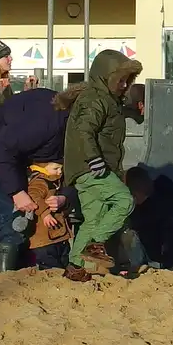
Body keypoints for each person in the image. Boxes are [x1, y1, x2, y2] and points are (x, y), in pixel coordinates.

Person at [0, 84, 73, 273]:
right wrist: (16, 191)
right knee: (13, 215)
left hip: (9, 152)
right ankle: (2, 279)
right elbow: (1, 147)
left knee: (24, 215)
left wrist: (65, 195)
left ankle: (20, 269)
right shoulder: (48, 120)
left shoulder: (61, 116)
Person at [61, 49, 142, 281]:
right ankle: (95, 246)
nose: (125, 84)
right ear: (107, 77)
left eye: (128, 80)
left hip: (85, 168)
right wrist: (94, 159)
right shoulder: (95, 99)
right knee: (124, 201)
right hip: (92, 167)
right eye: (121, 79)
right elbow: (84, 130)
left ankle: (75, 267)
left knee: (93, 217)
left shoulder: (106, 99)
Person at [122, 166, 173, 270]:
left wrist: (145, 202)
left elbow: (171, 206)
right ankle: (138, 269)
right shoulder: (129, 203)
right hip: (147, 244)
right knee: (128, 233)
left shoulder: (164, 189)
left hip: (168, 243)